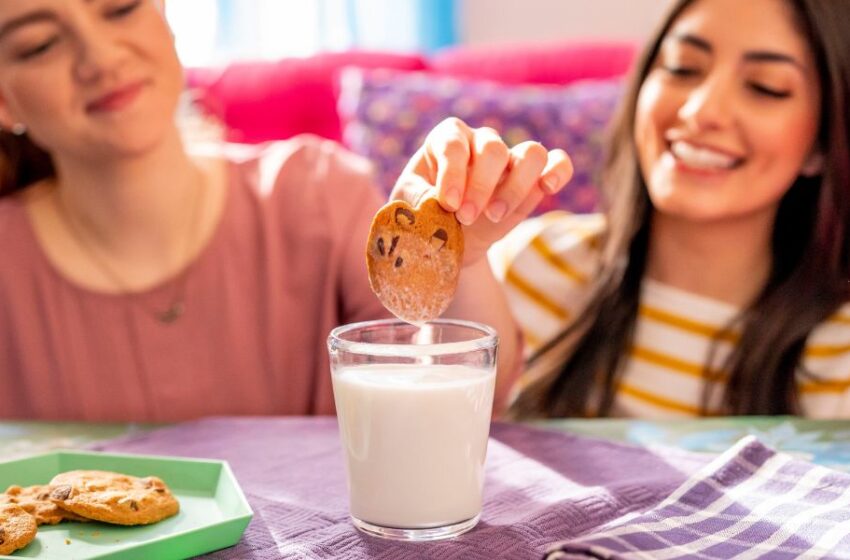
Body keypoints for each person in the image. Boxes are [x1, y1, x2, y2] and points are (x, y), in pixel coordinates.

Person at [0, 0, 573, 422]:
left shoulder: (317, 191)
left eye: (120, 8)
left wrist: (456, 256)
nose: (100, 58)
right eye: (39, 45)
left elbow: (473, 401)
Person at [493, 0, 850, 419]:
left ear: (823, 143)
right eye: (682, 67)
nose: (701, 112)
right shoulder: (533, 264)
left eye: (765, 86)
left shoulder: (839, 350)